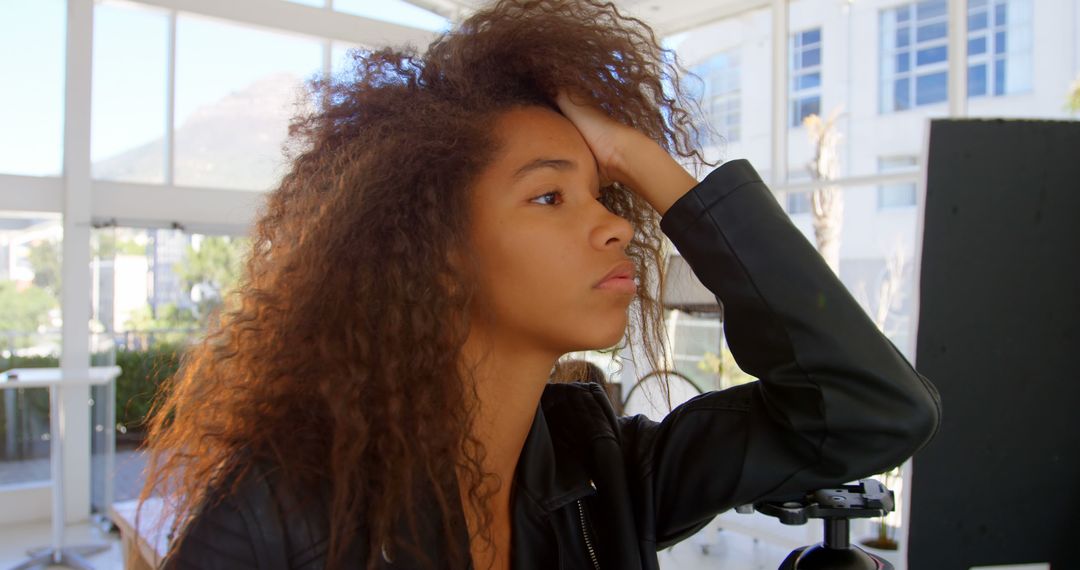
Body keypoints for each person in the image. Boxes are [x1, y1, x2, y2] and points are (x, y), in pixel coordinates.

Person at [140, 1, 942, 569]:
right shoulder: (284, 512)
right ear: (437, 251)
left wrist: (644, 161)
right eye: (550, 196)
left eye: (607, 195)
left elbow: (875, 407)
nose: (619, 226)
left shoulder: (612, 472)